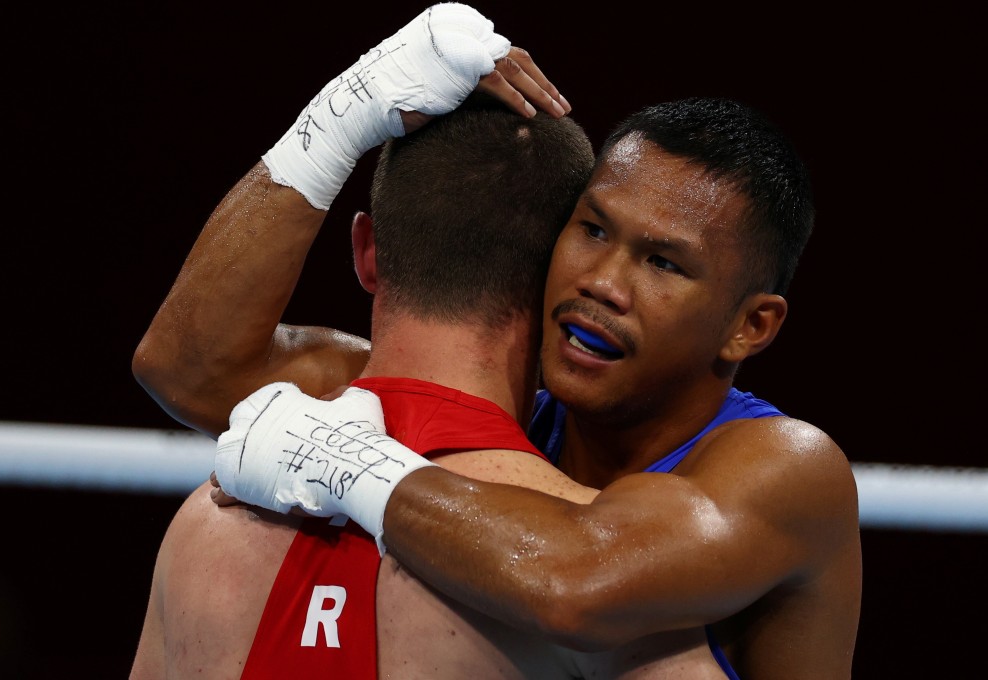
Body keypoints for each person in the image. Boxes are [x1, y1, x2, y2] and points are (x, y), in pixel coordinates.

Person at [131, 4, 722, 678]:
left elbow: (186, 366)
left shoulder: (205, 526)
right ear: (558, 281)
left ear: (366, 250)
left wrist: (345, 107)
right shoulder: (603, 576)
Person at [209, 79, 863, 679]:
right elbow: (199, 372)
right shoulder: (502, 413)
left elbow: (578, 587)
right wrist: (348, 110)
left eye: (663, 263)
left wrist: (342, 465)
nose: (602, 281)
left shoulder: (790, 469)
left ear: (750, 325)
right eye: (593, 229)